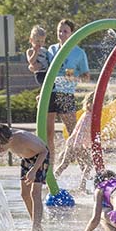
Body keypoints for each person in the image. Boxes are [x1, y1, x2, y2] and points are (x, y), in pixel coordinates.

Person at [0, 124, 50, 231]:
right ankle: (37, 226)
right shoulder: (1, 138)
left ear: (10, 139)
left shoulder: (24, 139)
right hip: (26, 159)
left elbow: (44, 151)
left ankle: (35, 228)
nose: (1, 151)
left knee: (34, 193)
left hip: (40, 158)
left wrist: (33, 170)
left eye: (1, 148)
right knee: (24, 194)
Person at [46, 19, 90, 158]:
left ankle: (85, 164)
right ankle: (49, 165)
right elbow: (44, 71)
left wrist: (72, 77)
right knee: (48, 133)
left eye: (65, 31)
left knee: (73, 132)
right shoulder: (51, 50)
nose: (61, 34)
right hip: (50, 92)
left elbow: (86, 76)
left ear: (72, 33)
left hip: (65, 93)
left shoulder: (79, 52)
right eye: (59, 31)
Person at [54, 91, 95, 193]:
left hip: (74, 143)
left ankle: (51, 180)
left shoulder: (88, 115)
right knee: (89, 164)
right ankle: (82, 186)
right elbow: (80, 132)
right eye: (96, 104)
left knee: (65, 164)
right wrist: (78, 146)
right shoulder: (87, 117)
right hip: (76, 144)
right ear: (89, 104)